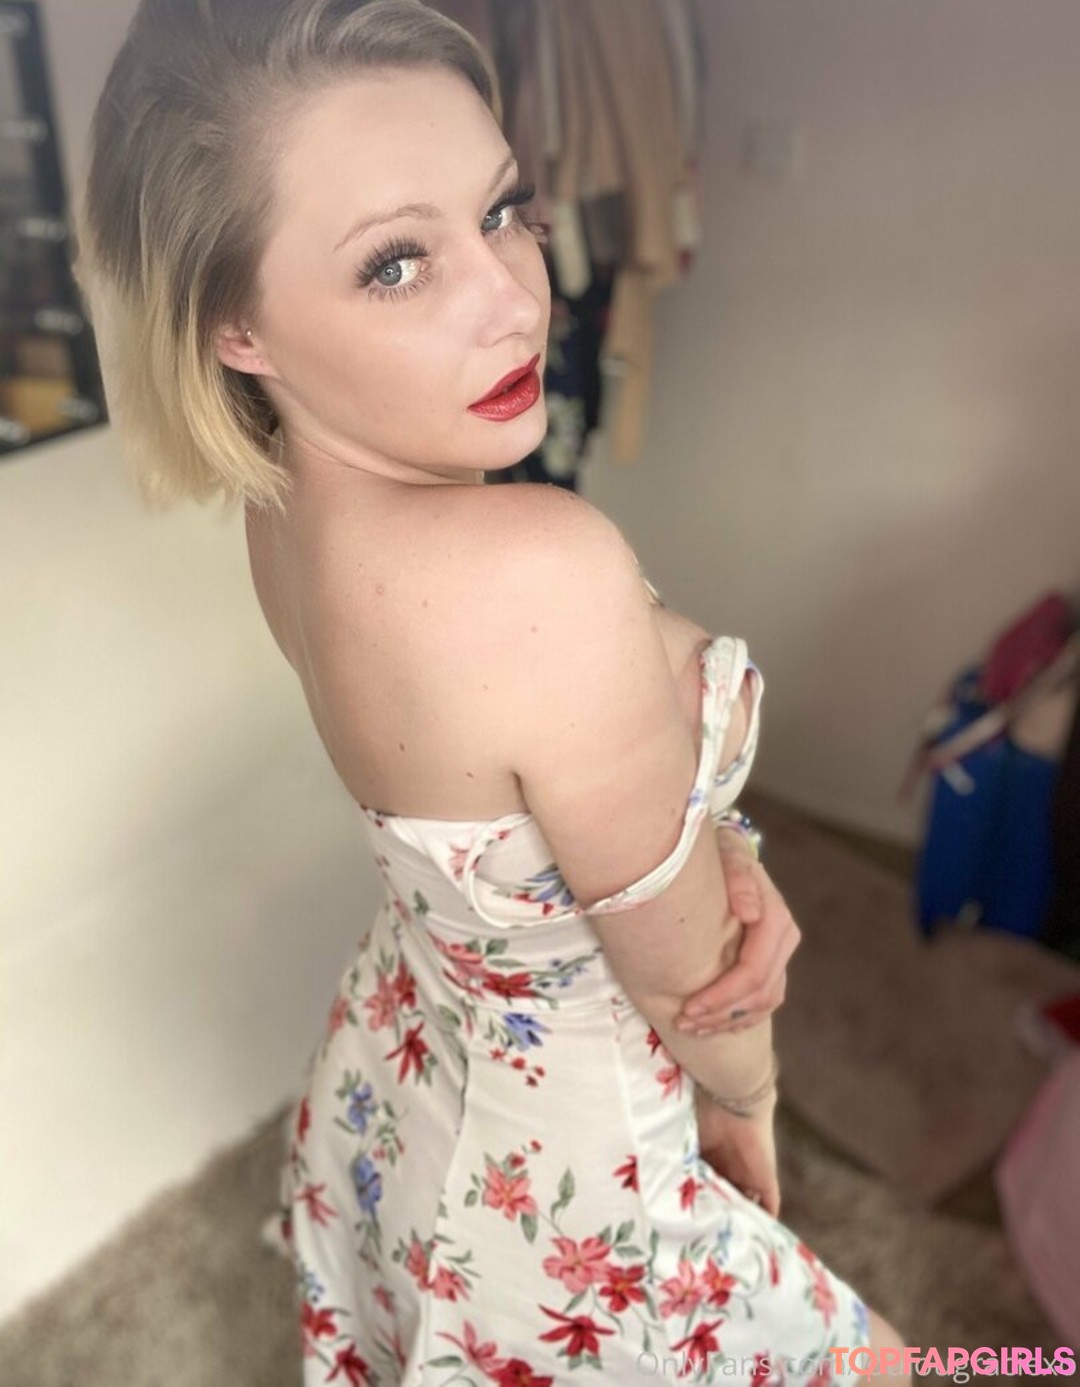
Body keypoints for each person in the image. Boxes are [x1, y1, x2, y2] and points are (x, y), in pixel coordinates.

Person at [74, 1, 911, 1380]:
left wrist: (713, 843)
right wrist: (749, 1096)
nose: (520, 297)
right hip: (584, 1174)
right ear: (236, 327)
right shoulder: (538, 569)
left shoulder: (283, 508)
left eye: (503, 211)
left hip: (412, 1060)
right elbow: (695, 983)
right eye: (396, 263)